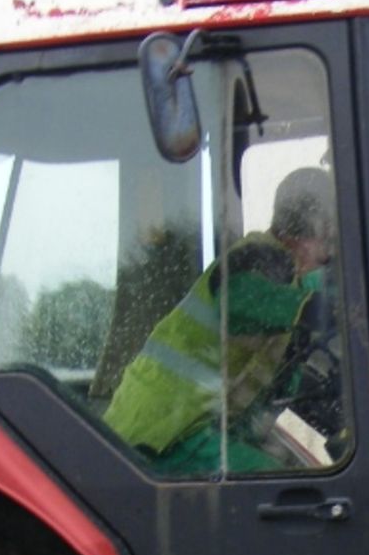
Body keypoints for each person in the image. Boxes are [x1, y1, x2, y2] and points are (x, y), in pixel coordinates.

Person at [104, 169, 340, 474]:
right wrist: (322, 308)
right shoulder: (257, 258)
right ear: (308, 230)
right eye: (329, 235)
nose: (330, 249)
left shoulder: (291, 278)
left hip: (187, 426)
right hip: (166, 433)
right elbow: (244, 302)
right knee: (291, 491)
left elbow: (322, 290)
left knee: (296, 478)